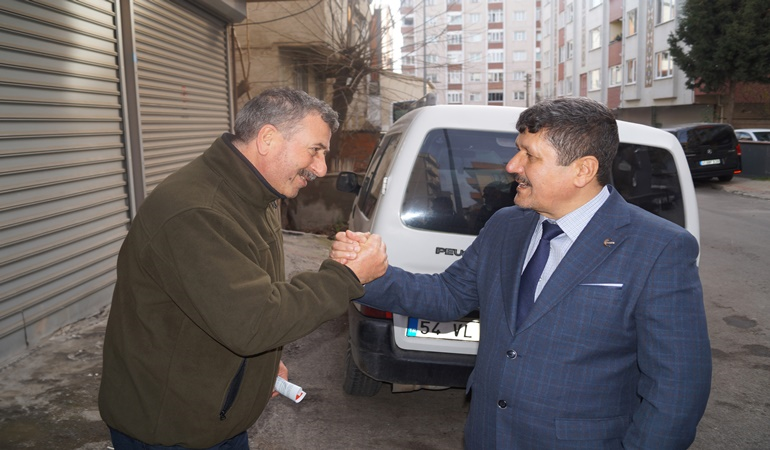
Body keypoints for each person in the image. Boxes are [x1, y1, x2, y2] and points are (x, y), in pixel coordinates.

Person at [332, 97, 712, 449]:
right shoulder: (506, 225)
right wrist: (367, 275)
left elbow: (677, 389)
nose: (512, 165)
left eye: (528, 155)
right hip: (488, 434)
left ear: (583, 170)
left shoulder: (659, 248)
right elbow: (448, 294)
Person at [98, 88, 386, 449]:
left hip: (217, 414)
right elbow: (255, 321)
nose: (321, 168)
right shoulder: (198, 212)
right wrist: (347, 276)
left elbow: (245, 297)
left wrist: (260, 371)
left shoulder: (257, 192)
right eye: (315, 150)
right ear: (267, 138)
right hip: (174, 430)